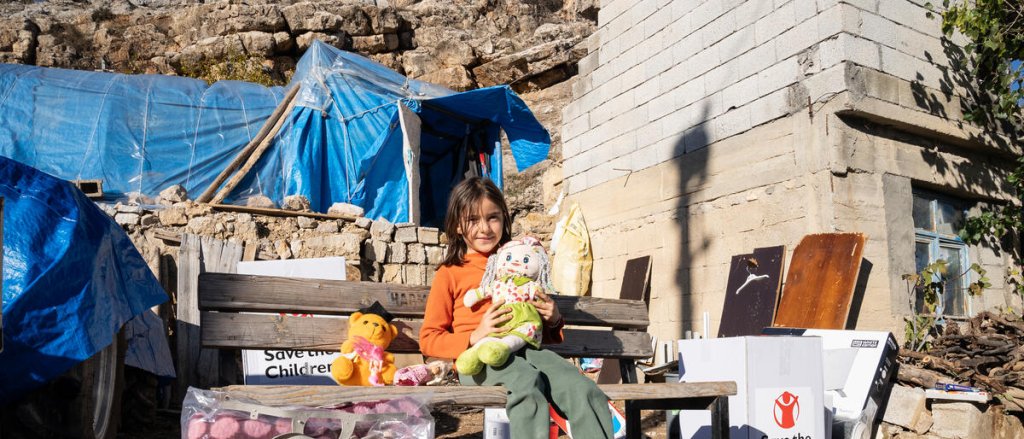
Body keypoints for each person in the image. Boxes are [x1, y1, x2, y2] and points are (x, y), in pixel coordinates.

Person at [420, 177, 613, 438]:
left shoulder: (523, 264)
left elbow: (535, 328)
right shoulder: (450, 273)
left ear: (504, 219)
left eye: (493, 218)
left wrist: (553, 318)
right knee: (525, 382)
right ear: (457, 226)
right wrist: (475, 336)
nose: (485, 228)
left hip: (526, 352)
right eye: (473, 220)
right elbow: (429, 340)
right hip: (479, 362)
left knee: (579, 386)